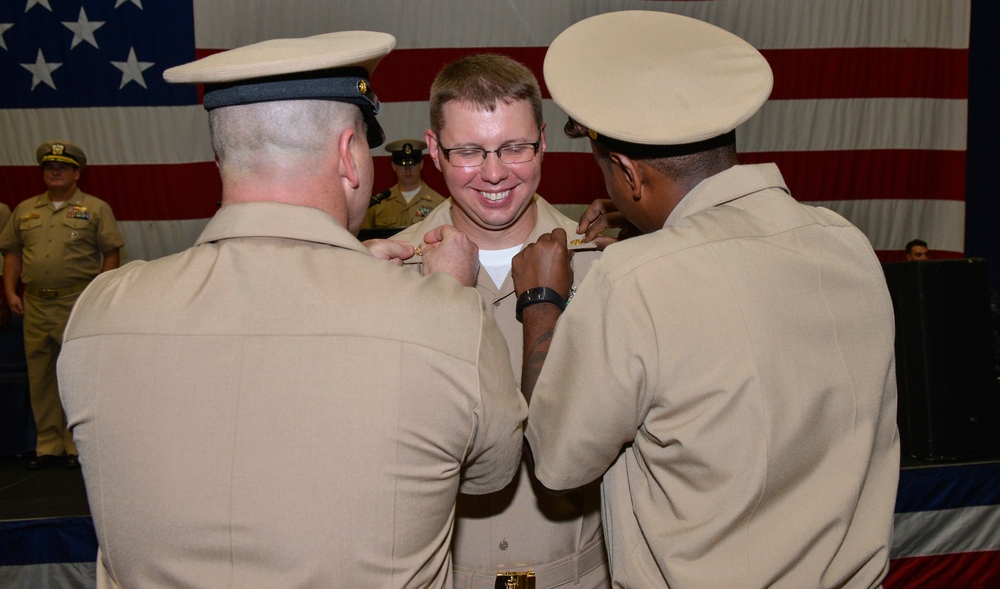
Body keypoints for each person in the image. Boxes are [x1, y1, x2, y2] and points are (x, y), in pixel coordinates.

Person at [57, 32, 527, 588]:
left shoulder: (98, 314)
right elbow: (492, 474)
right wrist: (445, 299)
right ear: (349, 155)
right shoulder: (440, 316)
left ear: (221, 155)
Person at [514, 11, 899, 588]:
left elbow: (559, 459)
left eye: (609, 175)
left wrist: (542, 301)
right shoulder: (847, 243)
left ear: (627, 172)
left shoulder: (635, 279)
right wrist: (659, 227)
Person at [392, 53, 610, 588]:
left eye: (515, 147)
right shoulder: (389, 272)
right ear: (434, 149)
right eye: (468, 151)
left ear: (542, 141)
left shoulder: (604, 263)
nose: (494, 173)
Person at [0, 142, 124, 470]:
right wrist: (10, 291)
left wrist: (98, 293)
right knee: (40, 375)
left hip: (76, 302)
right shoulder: (25, 210)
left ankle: (75, 444)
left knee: (76, 374)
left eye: (63, 168)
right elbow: (11, 252)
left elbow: (111, 252)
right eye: (49, 167)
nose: (55, 172)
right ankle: (48, 446)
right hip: (35, 304)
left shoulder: (96, 209)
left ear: (76, 174)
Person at [362, 138, 446, 229]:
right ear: (393, 166)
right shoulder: (378, 204)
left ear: (421, 164)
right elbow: (364, 238)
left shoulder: (439, 204)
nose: (407, 169)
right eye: (402, 164)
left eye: (412, 163)